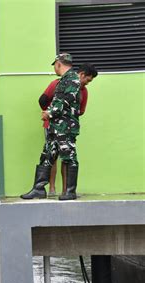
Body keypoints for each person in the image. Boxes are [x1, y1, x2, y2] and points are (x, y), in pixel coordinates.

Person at [21, 53, 81, 201]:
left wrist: (49, 113)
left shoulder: (73, 79)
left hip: (66, 127)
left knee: (69, 157)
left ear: (58, 64)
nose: (55, 68)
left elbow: (65, 101)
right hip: (55, 127)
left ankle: (70, 191)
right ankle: (39, 189)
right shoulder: (64, 80)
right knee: (46, 156)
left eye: (55, 65)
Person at [39, 63, 98, 196]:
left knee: (66, 157)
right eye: (87, 80)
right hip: (51, 125)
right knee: (50, 156)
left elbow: (81, 110)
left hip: (67, 127)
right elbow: (43, 100)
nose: (87, 83)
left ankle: (67, 190)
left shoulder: (84, 90)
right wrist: (49, 113)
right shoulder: (57, 83)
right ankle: (51, 189)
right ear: (82, 74)